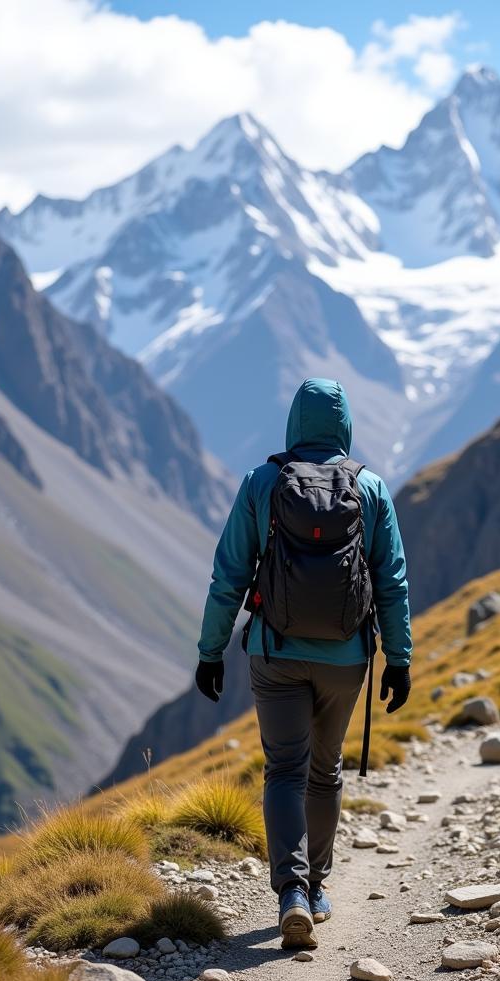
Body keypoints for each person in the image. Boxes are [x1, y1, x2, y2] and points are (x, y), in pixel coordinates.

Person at [194, 378, 412, 949]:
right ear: (343, 426)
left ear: (294, 422)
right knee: (326, 769)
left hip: (276, 651)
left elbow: (230, 575)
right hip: (347, 658)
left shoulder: (262, 483)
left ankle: (290, 892)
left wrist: (210, 650)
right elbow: (391, 581)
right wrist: (400, 658)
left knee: (284, 770)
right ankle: (316, 888)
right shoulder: (371, 487)